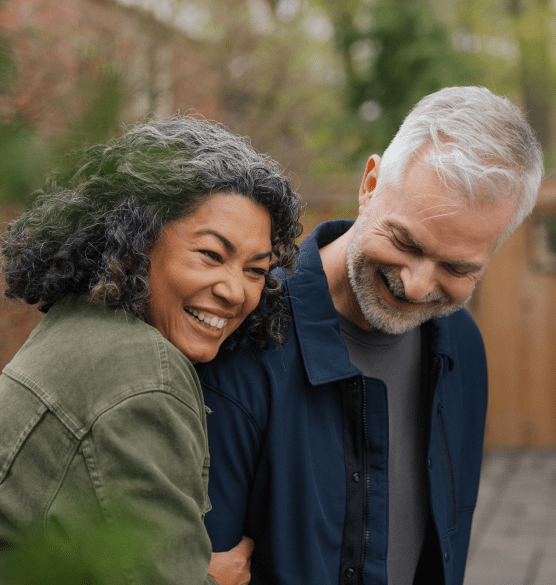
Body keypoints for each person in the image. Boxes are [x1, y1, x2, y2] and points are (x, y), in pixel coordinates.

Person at [0, 116, 302, 585]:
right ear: (137, 242)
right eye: (211, 255)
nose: (235, 291)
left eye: (257, 271)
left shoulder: (83, 325)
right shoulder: (143, 370)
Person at [198, 87, 544, 585]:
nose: (419, 286)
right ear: (370, 183)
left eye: (457, 267)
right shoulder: (244, 335)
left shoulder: (462, 345)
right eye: (405, 241)